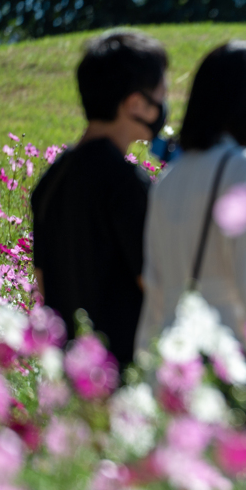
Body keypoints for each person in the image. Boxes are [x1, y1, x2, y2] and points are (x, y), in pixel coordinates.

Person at [135, 40, 246, 403]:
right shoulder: (241, 167)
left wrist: (146, 371)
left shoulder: (170, 177)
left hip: (175, 367)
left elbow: (156, 287)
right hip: (230, 362)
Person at [31, 29, 169, 373]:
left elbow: (43, 282)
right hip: (122, 373)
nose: (165, 102)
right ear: (135, 103)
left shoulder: (52, 179)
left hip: (73, 372)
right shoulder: (125, 182)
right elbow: (155, 287)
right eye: (161, 91)